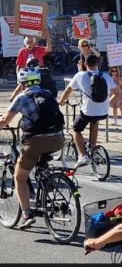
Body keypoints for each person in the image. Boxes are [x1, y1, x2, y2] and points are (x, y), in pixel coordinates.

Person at [0, 68, 65, 228]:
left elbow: (5, 121)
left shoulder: (22, 97)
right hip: (58, 139)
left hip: (36, 141)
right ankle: (47, 180)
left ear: (21, 83)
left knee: (19, 178)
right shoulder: (48, 94)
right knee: (40, 158)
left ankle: (27, 214)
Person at [59, 54, 117, 168]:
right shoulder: (105, 76)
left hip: (87, 111)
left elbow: (67, 91)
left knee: (76, 129)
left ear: (85, 64)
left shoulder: (80, 75)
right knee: (95, 121)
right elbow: (118, 93)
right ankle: (93, 149)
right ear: (97, 64)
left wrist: (61, 102)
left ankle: (83, 156)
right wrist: (108, 103)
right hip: (103, 111)